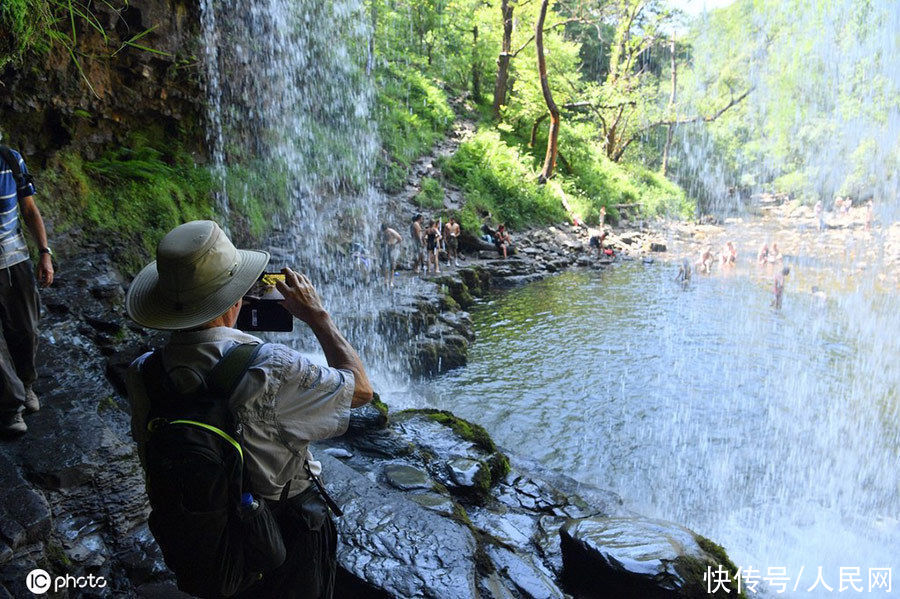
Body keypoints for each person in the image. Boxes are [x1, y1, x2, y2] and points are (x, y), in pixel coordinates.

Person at [124, 220, 373, 599]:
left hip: (200, 531)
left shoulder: (143, 372)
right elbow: (360, 390)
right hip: (286, 535)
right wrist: (318, 316)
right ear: (235, 299)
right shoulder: (271, 366)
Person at [0, 139, 54, 436]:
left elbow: (30, 209)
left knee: (27, 328)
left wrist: (45, 253)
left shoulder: (11, 160)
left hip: (15, 258)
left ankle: (27, 383)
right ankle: (11, 407)